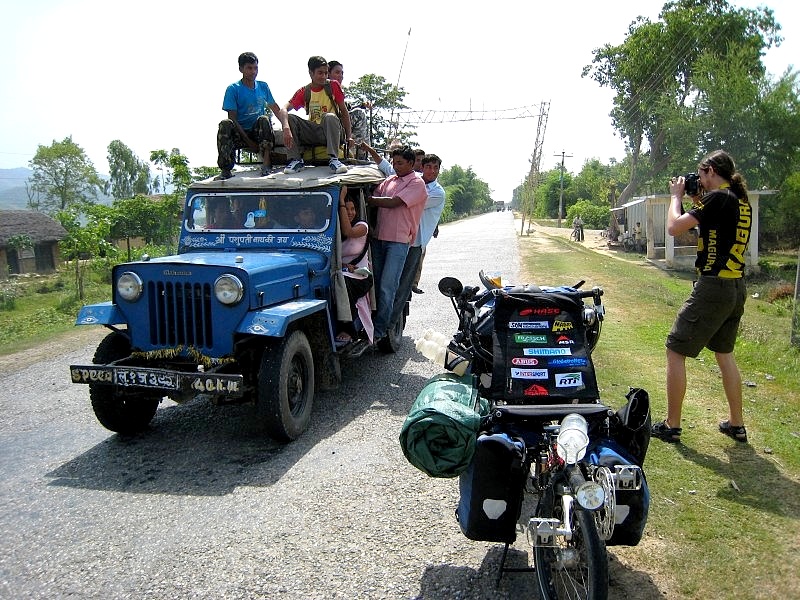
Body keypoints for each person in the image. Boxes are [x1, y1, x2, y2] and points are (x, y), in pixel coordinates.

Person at [652, 150, 752, 444]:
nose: (700, 182)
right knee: (724, 354)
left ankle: (671, 425)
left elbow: (674, 228)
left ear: (710, 171)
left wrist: (675, 197)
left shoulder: (719, 197)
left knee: (675, 349)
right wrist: (696, 200)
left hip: (714, 286)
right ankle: (736, 424)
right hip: (735, 286)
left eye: (701, 174)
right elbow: (713, 228)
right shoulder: (738, 199)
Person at [366, 146, 428, 343]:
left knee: (387, 287)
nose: (396, 166)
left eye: (400, 163)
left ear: (411, 164)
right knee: (374, 284)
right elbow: (377, 196)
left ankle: (381, 329)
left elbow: (393, 202)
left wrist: (368, 200)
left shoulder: (417, 184)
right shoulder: (390, 181)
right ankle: (371, 325)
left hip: (398, 242)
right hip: (379, 239)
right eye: (394, 162)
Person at [388, 154, 446, 329]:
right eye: (429, 167)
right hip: (397, 237)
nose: (432, 171)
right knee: (390, 282)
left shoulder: (437, 192)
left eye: (436, 168)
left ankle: (390, 324)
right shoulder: (413, 182)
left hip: (414, 243)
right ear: (422, 167)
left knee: (403, 285)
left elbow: (411, 201)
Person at [217, 52, 292, 180]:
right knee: (225, 124)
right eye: (249, 68)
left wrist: (287, 128)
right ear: (241, 69)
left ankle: (267, 163)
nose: (253, 72)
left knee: (264, 119)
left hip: (258, 132)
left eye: (255, 68)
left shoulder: (263, 86)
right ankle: (226, 168)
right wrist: (248, 141)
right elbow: (232, 118)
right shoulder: (233, 89)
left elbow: (275, 108)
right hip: (240, 132)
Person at [283, 56, 353, 175]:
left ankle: (334, 159)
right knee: (290, 118)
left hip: (332, 130)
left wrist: (349, 136)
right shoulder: (304, 91)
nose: (324, 76)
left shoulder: (333, 86)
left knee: (329, 116)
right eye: (320, 73)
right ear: (311, 73)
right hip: (314, 131)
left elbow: (344, 112)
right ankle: (296, 160)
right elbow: (284, 109)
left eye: (326, 73)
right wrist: (286, 128)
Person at [336, 189, 374, 345]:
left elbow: (349, 231)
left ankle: (349, 328)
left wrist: (341, 201)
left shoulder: (362, 226)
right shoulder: (334, 231)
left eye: (352, 209)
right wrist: (343, 265)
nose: (350, 213)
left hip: (361, 276)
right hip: (342, 272)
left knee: (343, 283)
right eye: (347, 208)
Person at [328, 60, 369, 159]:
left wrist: (362, 105)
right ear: (328, 74)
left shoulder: (337, 89)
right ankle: (361, 154)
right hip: (331, 123)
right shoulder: (329, 88)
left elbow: (345, 109)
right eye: (337, 72)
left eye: (342, 73)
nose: (341, 76)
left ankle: (356, 150)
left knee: (359, 112)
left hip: (337, 122)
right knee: (360, 114)